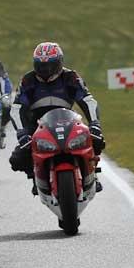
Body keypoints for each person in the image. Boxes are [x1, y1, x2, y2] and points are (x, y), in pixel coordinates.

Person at [8, 42, 105, 193]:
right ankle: (35, 176)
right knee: (17, 159)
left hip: (68, 120)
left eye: (50, 65)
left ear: (59, 63)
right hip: (37, 124)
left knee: (96, 140)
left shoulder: (70, 77)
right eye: (40, 65)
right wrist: (22, 133)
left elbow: (87, 100)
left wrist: (95, 124)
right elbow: (17, 108)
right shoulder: (28, 81)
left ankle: (91, 175)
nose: (45, 70)